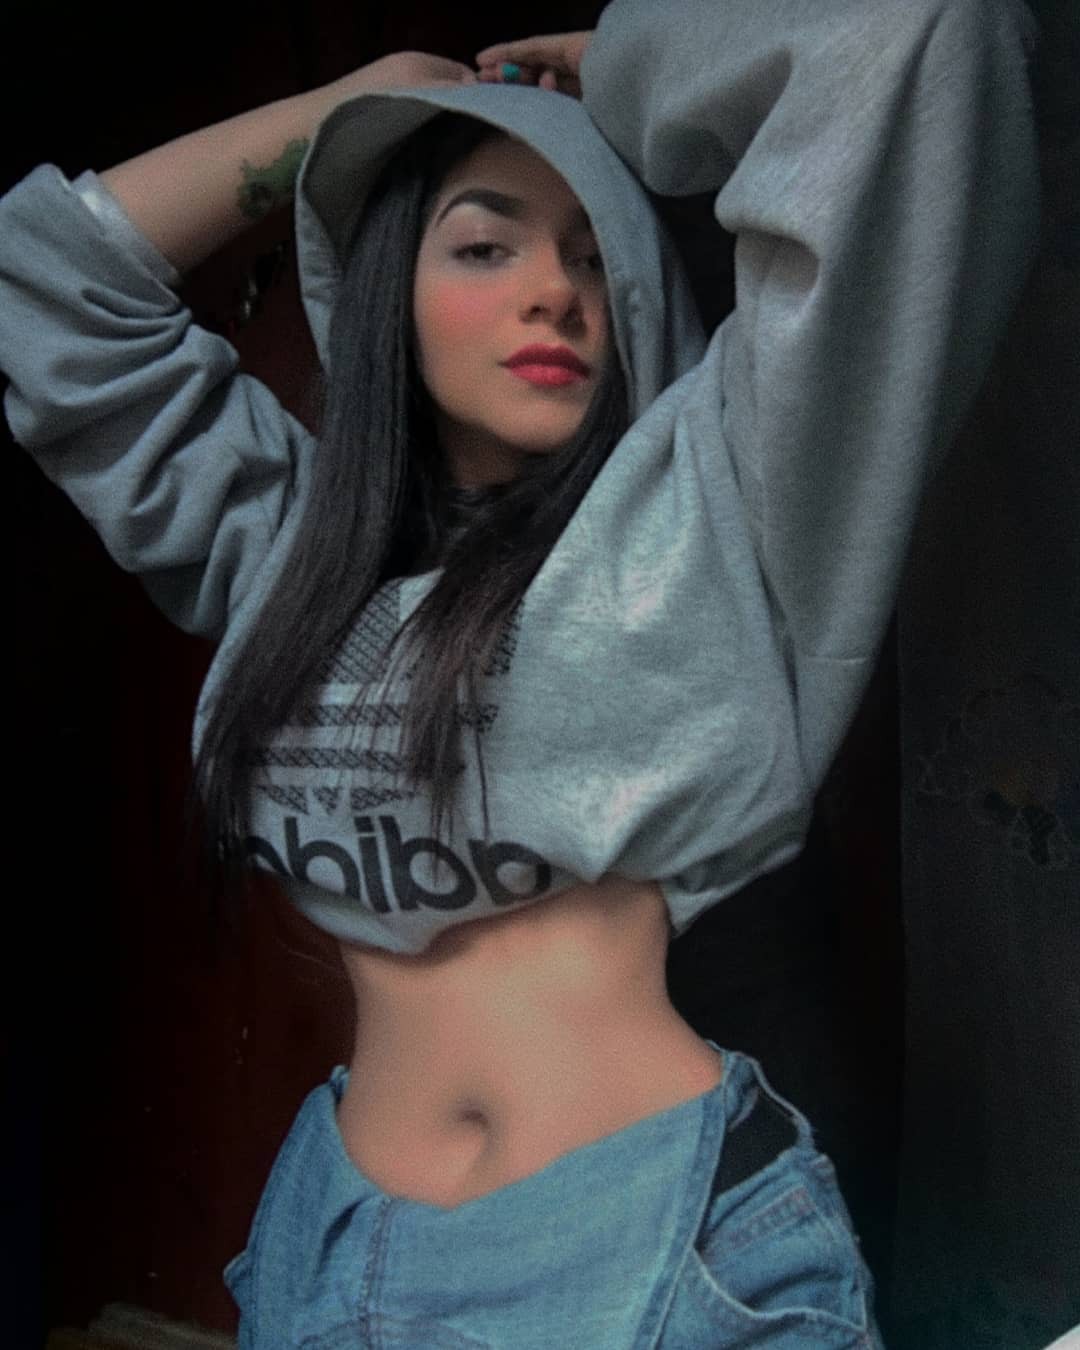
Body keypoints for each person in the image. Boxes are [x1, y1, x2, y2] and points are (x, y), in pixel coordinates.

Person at [0, 0, 1038, 1345]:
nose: (554, 290)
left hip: (655, 1269)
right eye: (485, 244)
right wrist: (346, 117)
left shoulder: (716, 520)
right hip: (335, 1248)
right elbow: (40, 279)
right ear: (390, 288)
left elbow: (916, 38)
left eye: (596, 257)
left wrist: (625, 71)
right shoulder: (287, 551)